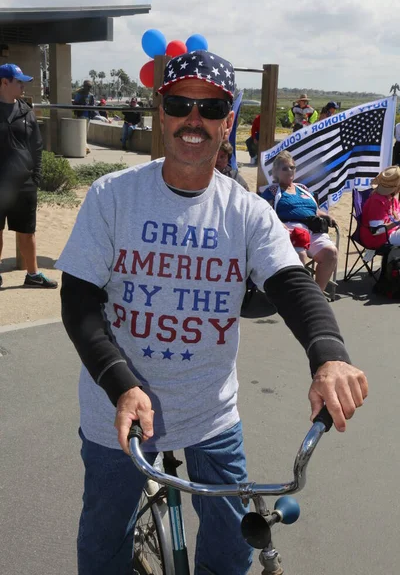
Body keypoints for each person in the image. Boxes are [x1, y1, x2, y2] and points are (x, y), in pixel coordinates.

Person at [56, 50, 367, 575]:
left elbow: (293, 285)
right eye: (180, 104)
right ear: (162, 112)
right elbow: (79, 301)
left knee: (231, 552)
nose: (193, 120)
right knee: (104, 546)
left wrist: (330, 356)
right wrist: (120, 383)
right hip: (119, 411)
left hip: (211, 415)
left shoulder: (247, 212)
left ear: (229, 121)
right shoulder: (113, 196)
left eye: (211, 107)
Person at [0, 63, 57, 289]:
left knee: (27, 231)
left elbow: (37, 147)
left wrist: (35, 177)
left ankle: (33, 274)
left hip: (24, 184)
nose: (23, 86)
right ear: (4, 83)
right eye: (19, 81)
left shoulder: (26, 112)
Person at [261, 150, 338, 291]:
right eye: (285, 168)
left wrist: (326, 215)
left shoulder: (303, 188)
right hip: (290, 229)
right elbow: (265, 213)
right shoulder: (272, 191)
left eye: (292, 167)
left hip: (313, 228)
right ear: (276, 172)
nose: (290, 171)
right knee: (300, 254)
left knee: (330, 252)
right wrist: (281, 225)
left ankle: (317, 294)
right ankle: (298, 295)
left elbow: (314, 210)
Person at [360, 166, 400, 249]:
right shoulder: (377, 202)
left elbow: (396, 216)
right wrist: (397, 222)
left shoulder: (391, 198)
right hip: (377, 239)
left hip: (390, 233)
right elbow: (376, 230)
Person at [73, 80, 95, 154]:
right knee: (81, 133)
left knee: (85, 132)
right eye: (88, 86)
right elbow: (75, 104)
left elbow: (93, 105)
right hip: (81, 115)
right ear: (84, 86)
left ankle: (84, 147)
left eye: (90, 87)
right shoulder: (79, 95)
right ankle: (85, 147)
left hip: (88, 116)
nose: (89, 88)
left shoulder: (91, 96)